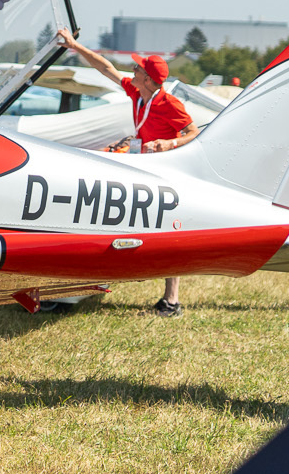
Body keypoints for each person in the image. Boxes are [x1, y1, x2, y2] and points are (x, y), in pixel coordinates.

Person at [54, 29, 200, 316]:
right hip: (142, 166)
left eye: (138, 68)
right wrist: (74, 46)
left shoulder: (170, 105)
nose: (132, 69)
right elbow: (105, 67)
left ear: (148, 79)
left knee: (169, 231)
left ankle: (172, 302)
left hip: (164, 172)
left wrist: (170, 143)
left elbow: (194, 133)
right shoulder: (137, 91)